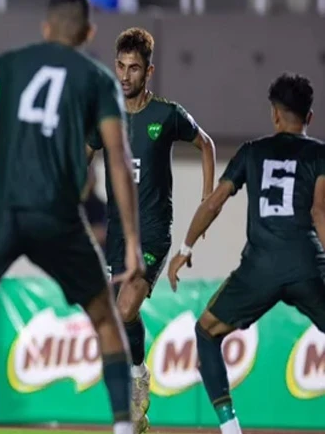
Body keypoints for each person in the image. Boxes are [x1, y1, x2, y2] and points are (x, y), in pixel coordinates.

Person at [0, 0, 145, 434]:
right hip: (57, 217)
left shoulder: (5, 68)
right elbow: (118, 159)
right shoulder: (100, 81)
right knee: (105, 317)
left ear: (46, 28)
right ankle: (123, 430)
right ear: (88, 33)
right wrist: (134, 245)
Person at [167, 72, 325, 434]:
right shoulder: (320, 154)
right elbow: (319, 212)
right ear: (310, 118)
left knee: (206, 332)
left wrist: (185, 248)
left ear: (274, 114)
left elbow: (215, 203)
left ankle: (230, 429)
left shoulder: (253, 152)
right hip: (307, 264)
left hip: (260, 269)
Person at [86, 27, 216, 432]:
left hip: (154, 233)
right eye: (121, 67)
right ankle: (140, 372)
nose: (125, 76)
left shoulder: (168, 115)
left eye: (134, 68)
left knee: (125, 308)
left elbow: (207, 144)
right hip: (117, 235)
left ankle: (135, 384)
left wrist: (207, 200)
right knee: (120, 314)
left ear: (149, 71)